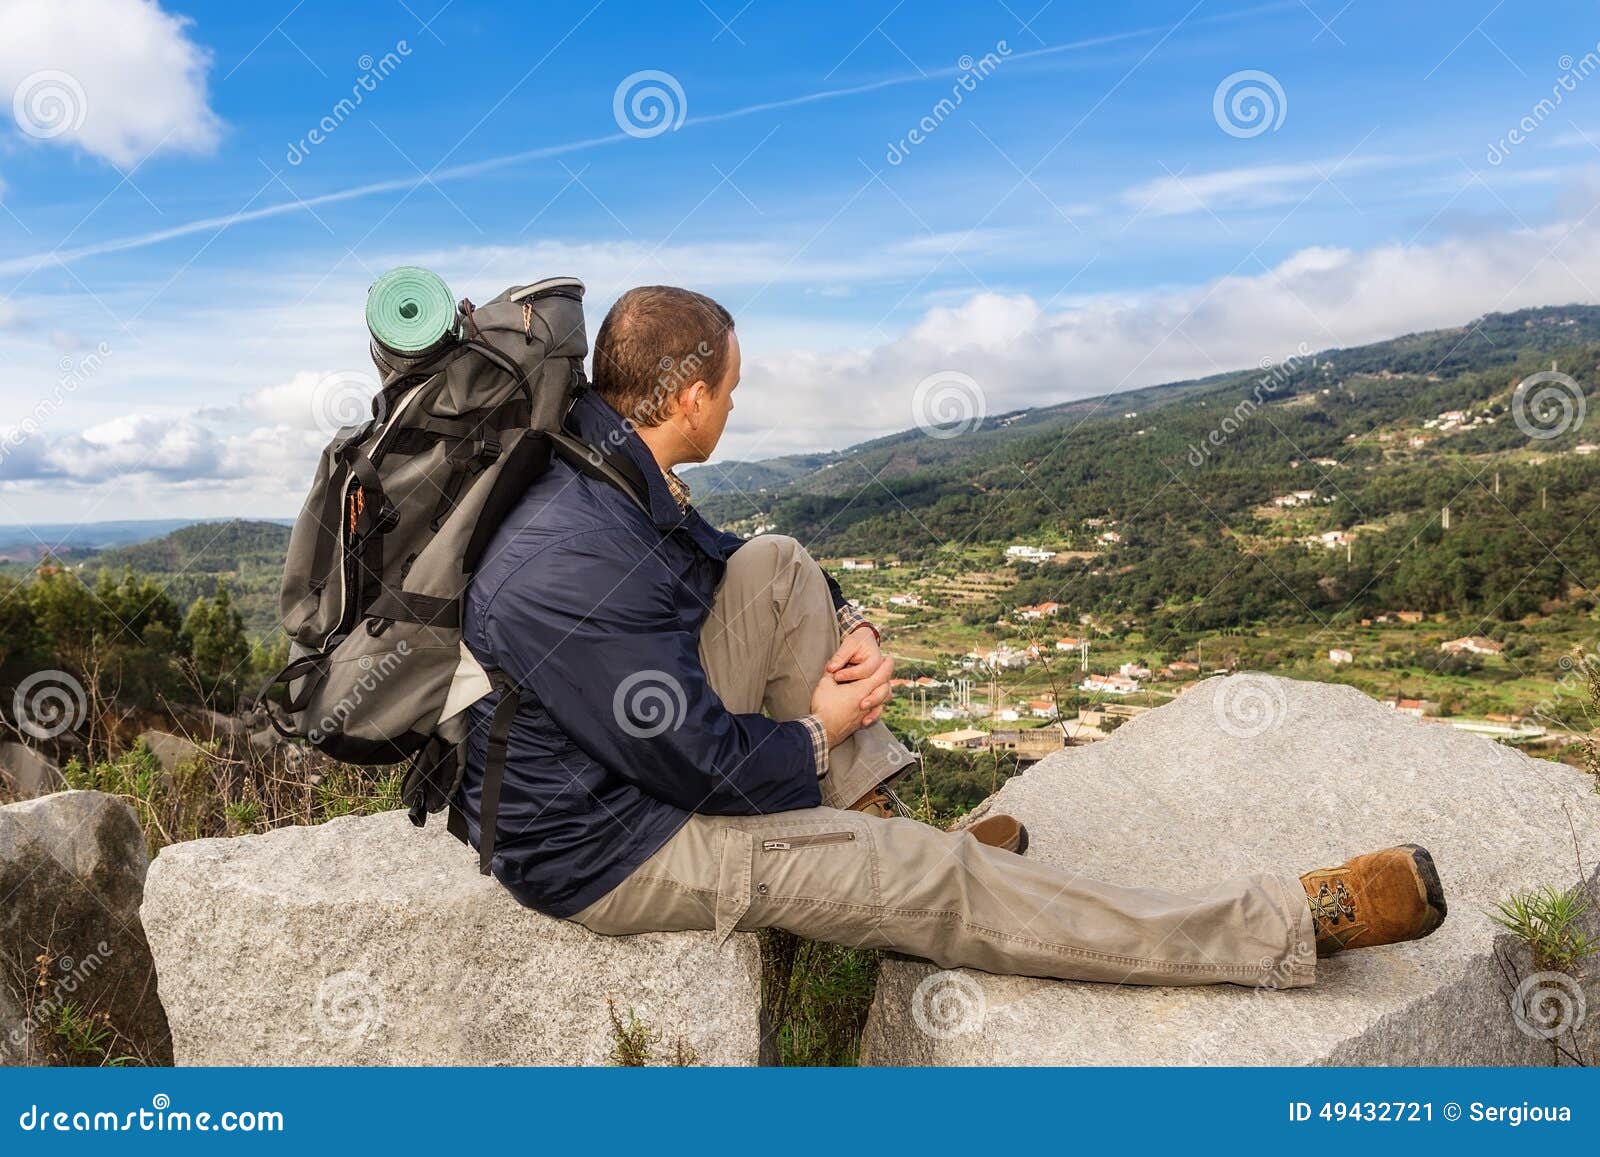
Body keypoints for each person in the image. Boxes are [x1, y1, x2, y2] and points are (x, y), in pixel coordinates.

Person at [455, 285, 1447, 988]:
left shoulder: (607, 461)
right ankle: (1281, 923)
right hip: (610, 840)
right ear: (691, 396)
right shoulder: (572, 558)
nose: (735, 405)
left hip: (621, 758)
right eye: (735, 388)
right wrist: (819, 728)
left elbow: (725, 563)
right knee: (939, 879)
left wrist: (852, 622)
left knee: (779, 562)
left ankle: (876, 832)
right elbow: (703, 770)